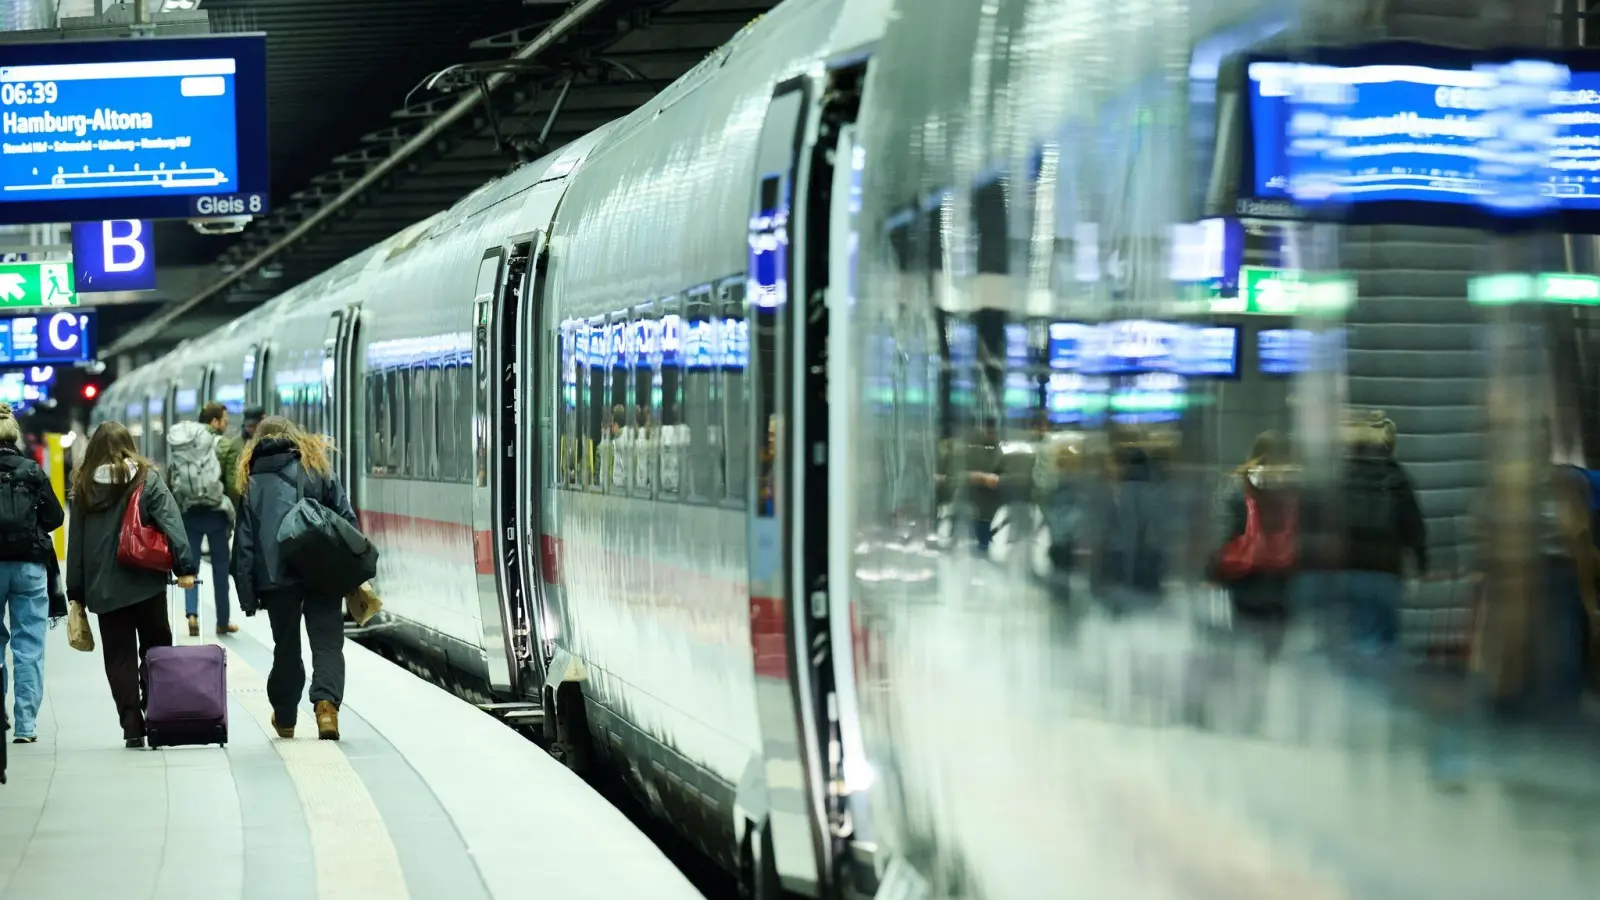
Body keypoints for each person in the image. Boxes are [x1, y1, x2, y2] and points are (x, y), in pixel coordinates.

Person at [66, 421, 195, 748]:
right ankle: (155, 710)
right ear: (128, 445)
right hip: (146, 582)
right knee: (156, 648)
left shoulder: (83, 486)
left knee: (118, 657)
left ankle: (131, 725)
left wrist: (76, 591)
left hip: (103, 588)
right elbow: (172, 522)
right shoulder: (147, 478)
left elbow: (76, 543)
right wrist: (185, 567)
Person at [233, 416, 358, 741]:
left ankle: (286, 716)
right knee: (327, 642)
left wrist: (248, 594)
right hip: (322, 568)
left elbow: (244, 541)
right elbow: (345, 517)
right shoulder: (317, 465)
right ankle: (326, 709)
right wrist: (352, 567)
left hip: (277, 578)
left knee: (286, 648)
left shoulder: (251, 477)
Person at [0, 404, 64, 743]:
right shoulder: (32, 470)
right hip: (29, 565)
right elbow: (55, 518)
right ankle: (26, 726)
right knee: (29, 646)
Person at [1211, 431, 1300, 658]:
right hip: (1283, 578)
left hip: (1245, 577)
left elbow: (1222, 528)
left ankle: (1249, 684)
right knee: (1275, 645)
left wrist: (1211, 571)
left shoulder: (1237, 485)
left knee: (1244, 641)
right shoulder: (1296, 485)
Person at [168, 403, 239, 637]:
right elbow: (231, 484)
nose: (226, 425)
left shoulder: (183, 444)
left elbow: (172, 477)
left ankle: (191, 616)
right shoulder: (223, 445)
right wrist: (231, 509)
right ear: (215, 422)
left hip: (190, 513)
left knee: (191, 567)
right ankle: (222, 621)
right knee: (220, 568)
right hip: (216, 513)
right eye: (225, 420)